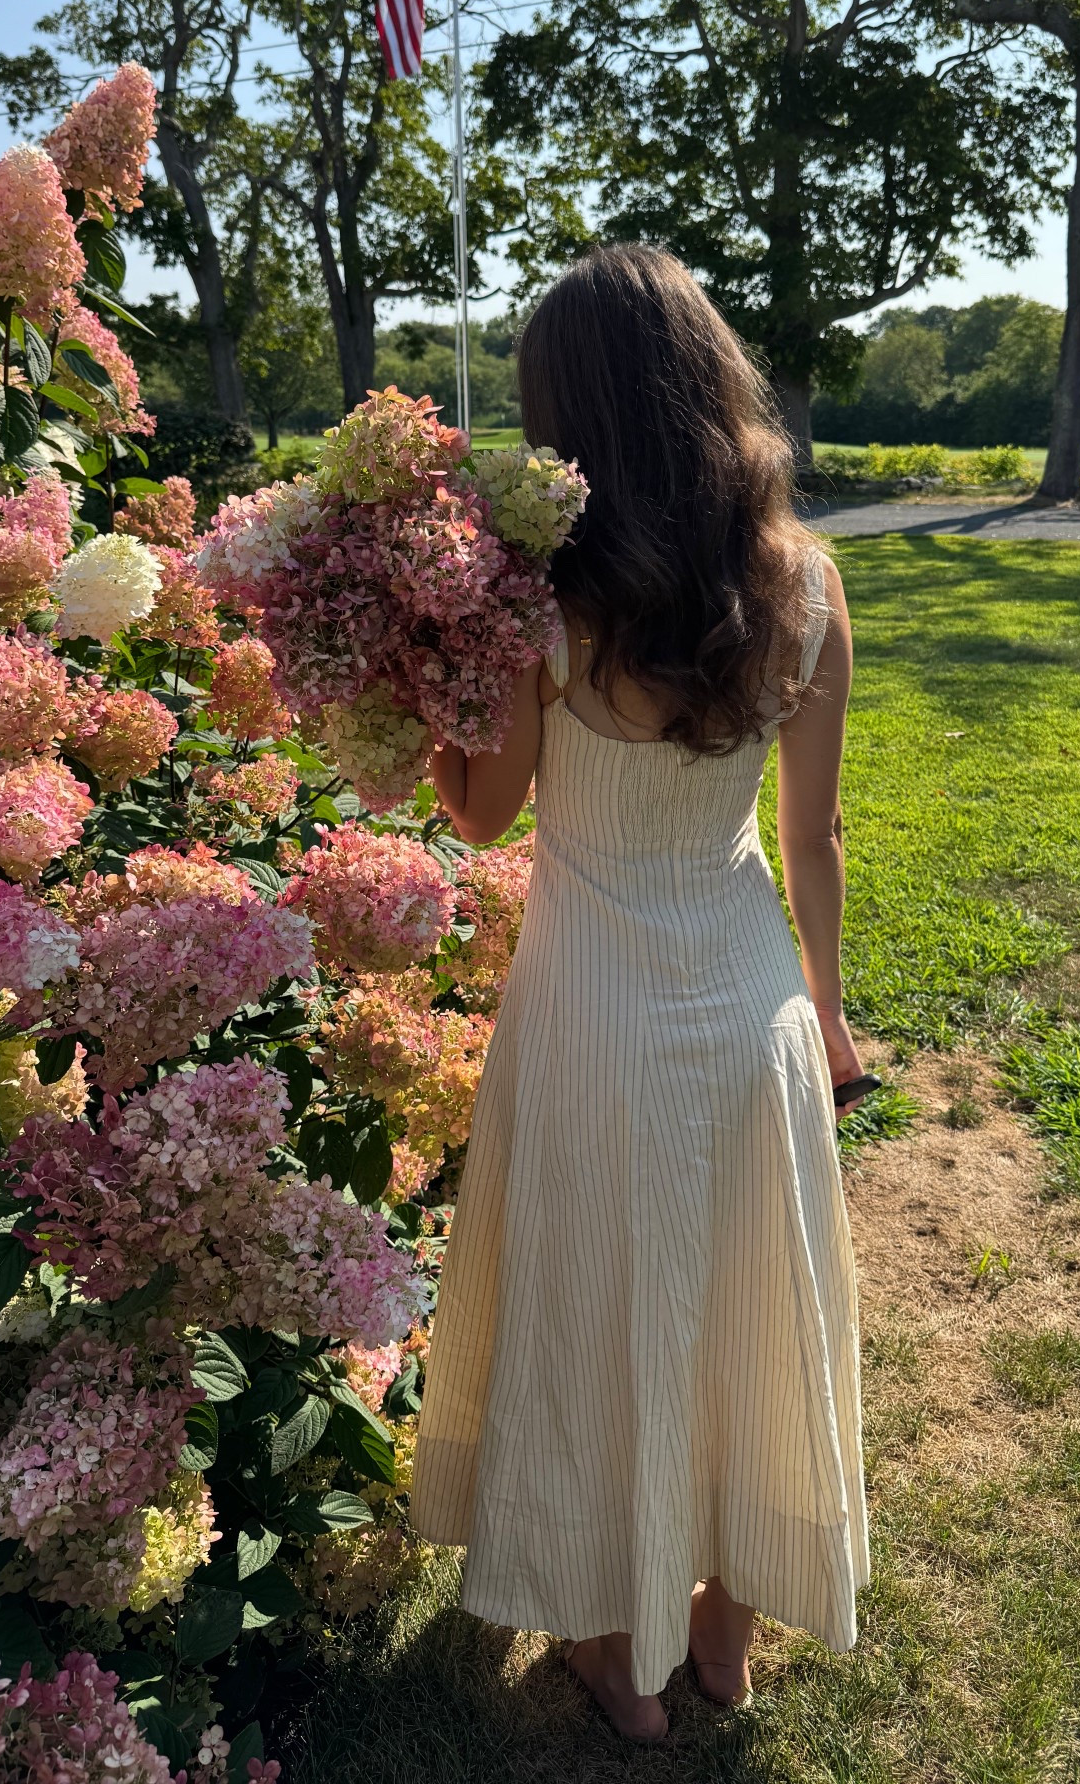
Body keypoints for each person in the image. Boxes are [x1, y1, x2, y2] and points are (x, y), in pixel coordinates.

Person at [410, 243, 868, 1743]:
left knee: (598, 1316)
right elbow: (816, 835)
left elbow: (481, 814)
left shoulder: (543, 600)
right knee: (746, 1310)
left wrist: (429, 683)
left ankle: (621, 1660)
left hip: (593, 999)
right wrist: (833, 1011)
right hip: (749, 1000)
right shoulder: (801, 581)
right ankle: (722, 1647)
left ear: (565, 415)